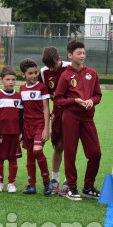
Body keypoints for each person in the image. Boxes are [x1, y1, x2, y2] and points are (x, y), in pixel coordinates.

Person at [54, 39, 102, 201]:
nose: (82, 56)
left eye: (83, 53)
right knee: (70, 153)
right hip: (71, 118)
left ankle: (88, 187)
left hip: (87, 118)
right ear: (70, 55)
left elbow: (98, 95)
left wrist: (91, 101)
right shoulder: (65, 76)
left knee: (95, 153)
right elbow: (58, 100)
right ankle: (72, 187)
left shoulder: (92, 73)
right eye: (79, 53)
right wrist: (74, 101)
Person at [40, 46, 71, 195]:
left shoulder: (69, 67)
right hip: (57, 112)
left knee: (70, 146)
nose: (51, 69)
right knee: (58, 145)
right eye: (49, 66)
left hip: (72, 112)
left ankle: (68, 179)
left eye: (54, 65)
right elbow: (43, 95)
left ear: (59, 59)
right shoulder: (43, 72)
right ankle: (55, 179)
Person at [19, 58, 52, 196]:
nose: (34, 76)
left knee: (37, 151)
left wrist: (46, 128)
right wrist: (21, 131)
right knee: (30, 156)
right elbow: (21, 112)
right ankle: (32, 185)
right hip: (27, 126)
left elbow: (46, 108)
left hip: (39, 125)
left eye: (35, 72)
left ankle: (46, 181)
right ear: (23, 75)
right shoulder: (21, 89)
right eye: (30, 73)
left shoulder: (42, 87)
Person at [0, 66, 23, 193]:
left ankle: (11, 183)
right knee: (0, 158)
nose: (11, 82)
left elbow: (21, 116)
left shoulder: (18, 96)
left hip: (15, 133)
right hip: (2, 134)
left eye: (13, 79)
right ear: (1, 80)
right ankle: (0, 183)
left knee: (13, 158)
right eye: (8, 79)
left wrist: (22, 132)